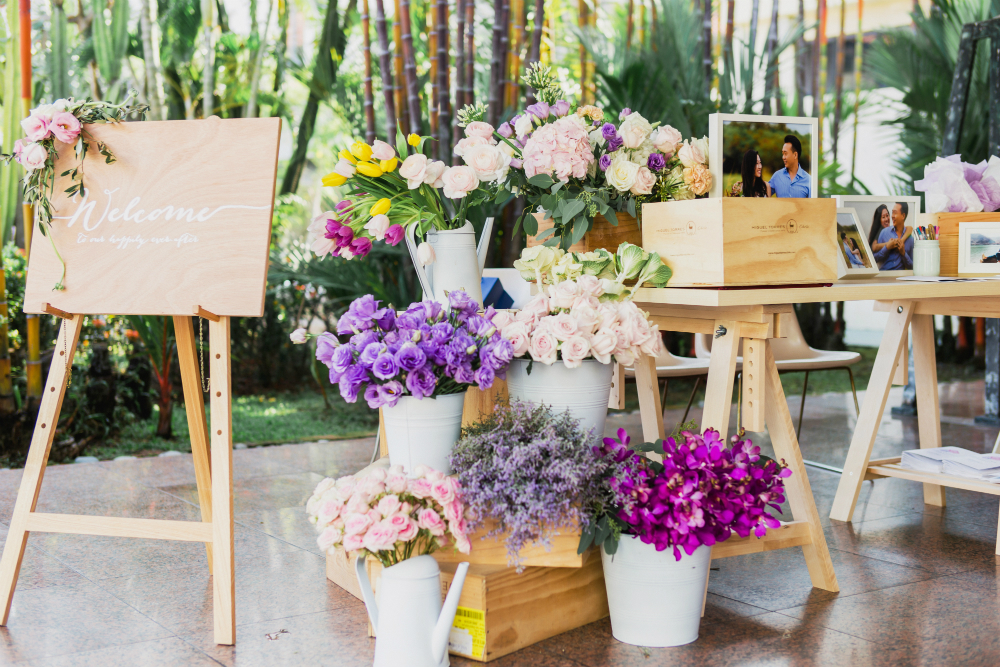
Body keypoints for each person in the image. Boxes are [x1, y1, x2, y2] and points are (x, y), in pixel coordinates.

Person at [873, 202, 913, 270]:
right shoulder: (884, 233)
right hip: (883, 277)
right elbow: (874, 259)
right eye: (892, 213)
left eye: (895, 213)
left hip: (900, 278)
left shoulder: (910, 240)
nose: (892, 216)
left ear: (903, 216)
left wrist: (903, 253)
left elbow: (912, 267)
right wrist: (887, 248)